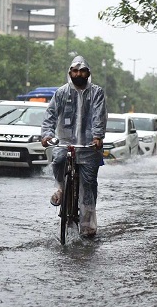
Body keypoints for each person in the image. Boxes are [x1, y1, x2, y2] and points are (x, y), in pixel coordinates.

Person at [41, 55, 107, 237]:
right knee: (59, 159)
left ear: (88, 73)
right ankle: (61, 189)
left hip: (89, 146)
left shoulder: (96, 92)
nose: (78, 74)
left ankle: (87, 224)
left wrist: (97, 137)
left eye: (82, 71)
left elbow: (98, 116)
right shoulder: (61, 93)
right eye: (75, 71)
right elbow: (51, 115)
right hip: (65, 143)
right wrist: (47, 134)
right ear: (70, 73)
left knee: (88, 183)